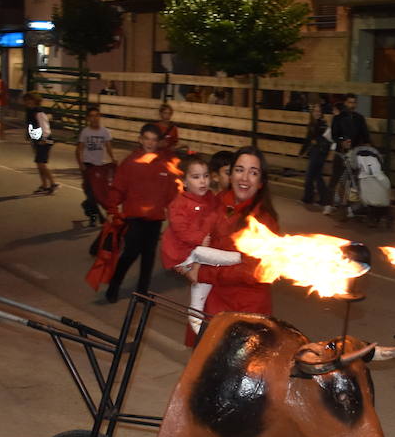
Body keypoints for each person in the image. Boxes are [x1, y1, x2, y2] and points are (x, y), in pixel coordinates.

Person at [188, 147, 280, 343]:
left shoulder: (264, 221)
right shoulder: (217, 203)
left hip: (244, 312)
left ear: (261, 181)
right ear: (231, 175)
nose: (244, 178)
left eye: (253, 172)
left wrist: (203, 272)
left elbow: (252, 270)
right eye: (239, 170)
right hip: (212, 306)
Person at [161, 154, 243, 336]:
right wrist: (200, 238)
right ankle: (240, 258)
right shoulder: (179, 203)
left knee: (199, 295)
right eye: (196, 177)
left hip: (199, 256)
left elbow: (219, 215)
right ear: (184, 181)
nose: (202, 181)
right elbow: (180, 229)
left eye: (205, 176)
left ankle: (200, 330)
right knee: (203, 254)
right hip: (184, 253)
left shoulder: (211, 198)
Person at [104, 123, 179, 303]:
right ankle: (114, 285)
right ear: (140, 140)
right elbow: (118, 188)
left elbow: (172, 194)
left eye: (154, 140)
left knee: (149, 255)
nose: (150, 143)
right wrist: (112, 209)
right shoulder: (130, 163)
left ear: (158, 142)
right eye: (146, 139)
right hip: (134, 217)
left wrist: (177, 216)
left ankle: (142, 292)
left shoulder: (165, 165)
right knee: (131, 252)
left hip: (155, 219)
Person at [75, 105, 115, 227]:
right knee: (91, 193)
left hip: (99, 167)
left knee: (97, 193)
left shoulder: (105, 132)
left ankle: (87, 205)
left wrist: (113, 159)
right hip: (88, 166)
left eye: (96, 115)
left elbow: (108, 147)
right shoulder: (85, 132)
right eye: (91, 116)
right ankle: (97, 217)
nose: (94, 118)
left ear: (99, 117)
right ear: (88, 118)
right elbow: (79, 150)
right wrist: (81, 164)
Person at [23, 92, 55, 194]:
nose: (27, 102)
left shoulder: (39, 112)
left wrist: (43, 139)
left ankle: (53, 184)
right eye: (26, 100)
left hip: (45, 140)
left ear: (35, 100)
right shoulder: (30, 111)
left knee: (41, 164)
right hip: (37, 140)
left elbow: (45, 127)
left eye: (30, 99)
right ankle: (44, 185)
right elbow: (30, 125)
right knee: (39, 163)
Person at [300, 102, 332, 207]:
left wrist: (316, 141)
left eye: (319, 111)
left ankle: (308, 198)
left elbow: (323, 139)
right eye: (315, 111)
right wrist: (302, 152)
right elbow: (308, 139)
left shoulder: (322, 124)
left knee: (310, 176)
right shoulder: (312, 124)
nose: (317, 113)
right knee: (317, 176)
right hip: (315, 152)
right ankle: (324, 199)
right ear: (312, 112)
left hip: (320, 153)